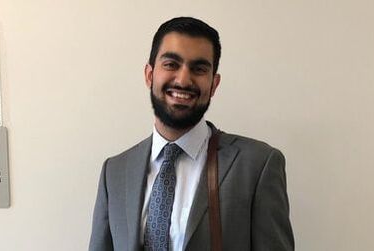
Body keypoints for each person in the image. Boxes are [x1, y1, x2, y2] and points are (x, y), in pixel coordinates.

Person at [89, 17, 294, 251]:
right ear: (149, 74)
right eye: (171, 64)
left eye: (198, 69)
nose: (184, 79)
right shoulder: (114, 172)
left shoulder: (258, 165)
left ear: (214, 84)